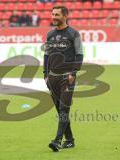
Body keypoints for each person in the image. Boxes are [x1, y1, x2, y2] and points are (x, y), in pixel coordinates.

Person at [43, 6, 83, 152]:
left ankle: (57, 140)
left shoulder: (74, 34)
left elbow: (79, 55)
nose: (54, 17)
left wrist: (73, 73)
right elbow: (46, 55)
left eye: (57, 14)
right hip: (52, 79)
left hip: (67, 77)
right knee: (60, 112)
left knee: (64, 109)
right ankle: (70, 140)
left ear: (65, 15)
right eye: (53, 14)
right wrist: (45, 75)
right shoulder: (50, 34)